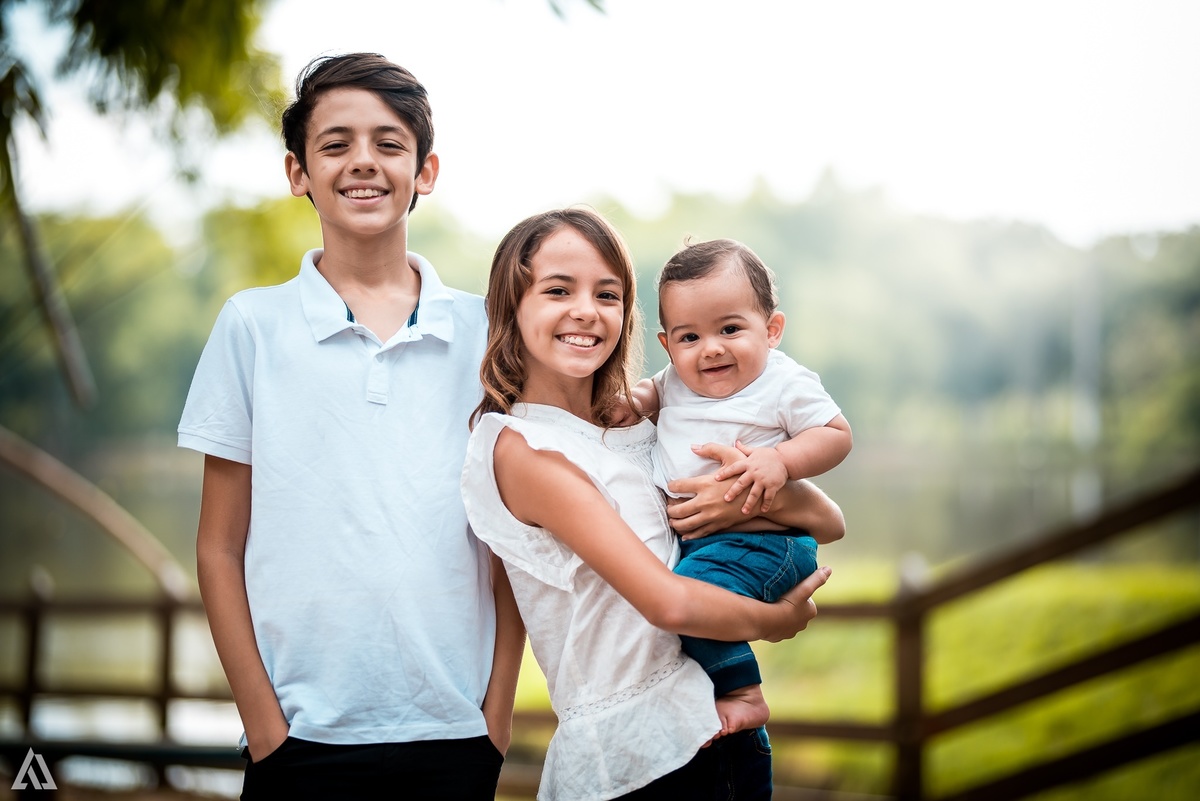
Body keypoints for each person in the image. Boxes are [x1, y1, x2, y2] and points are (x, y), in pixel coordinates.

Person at [177, 53, 523, 800]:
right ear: (298, 172)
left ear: (426, 170)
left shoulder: (487, 332)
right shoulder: (252, 326)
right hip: (298, 740)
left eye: (388, 143)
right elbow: (217, 545)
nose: (363, 161)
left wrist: (496, 716)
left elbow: (509, 542)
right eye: (335, 144)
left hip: (456, 734)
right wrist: (264, 726)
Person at [460, 208, 844, 800]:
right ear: (511, 305)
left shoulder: (643, 423)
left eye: (607, 294)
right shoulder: (523, 449)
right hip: (638, 757)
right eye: (558, 290)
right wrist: (777, 621)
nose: (587, 310)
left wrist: (740, 498)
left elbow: (828, 520)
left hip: (715, 731)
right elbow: (666, 602)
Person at [633, 238, 853, 737]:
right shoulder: (673, 381)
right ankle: (722, 689)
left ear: (771, 330)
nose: (710, 348)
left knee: (691, 600)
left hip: (765, 541)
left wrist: (779, 459)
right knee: (690, 602)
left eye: (730, 329)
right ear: (668, 345)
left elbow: (836, 435)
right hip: (708, 544)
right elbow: (644, 395)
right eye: (689, 337)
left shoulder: (783, 383)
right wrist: (623, 403)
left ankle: (744, 694)